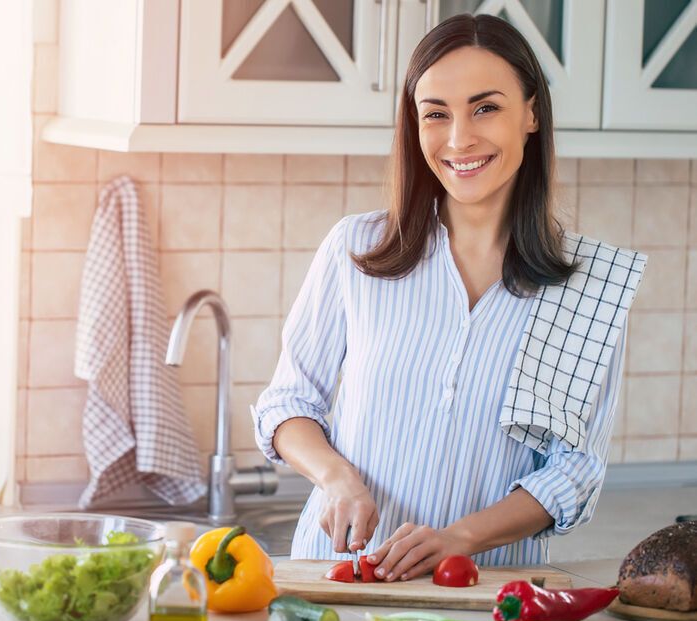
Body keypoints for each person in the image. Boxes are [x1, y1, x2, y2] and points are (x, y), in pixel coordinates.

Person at [251, 13, 646, 583]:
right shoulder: (357, 249)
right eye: (436, 114)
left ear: (531, 113)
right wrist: (336, 477)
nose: (459, 139)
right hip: (341, 575)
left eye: (485, 107)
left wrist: (460, 539)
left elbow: (572, 473)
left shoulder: (587, 288)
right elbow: (287, 404)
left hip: (486, 589)